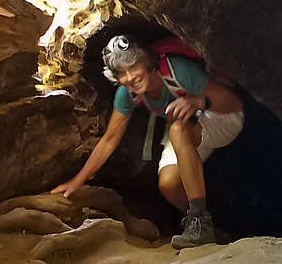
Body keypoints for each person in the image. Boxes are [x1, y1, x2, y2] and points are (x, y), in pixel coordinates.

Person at [51, 34, 245, 248]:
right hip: (189, 126)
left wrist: (198, 101)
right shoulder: (127, 94)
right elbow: (109, 140)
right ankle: (213, 231)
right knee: (169, 185)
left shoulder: (177, 70)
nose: (129, 77)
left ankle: (199, 222)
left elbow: (233, 103)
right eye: (121, 73)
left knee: (178, 129)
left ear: (147, 62)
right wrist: (76, 182)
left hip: (221, 116)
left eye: (133, 67)